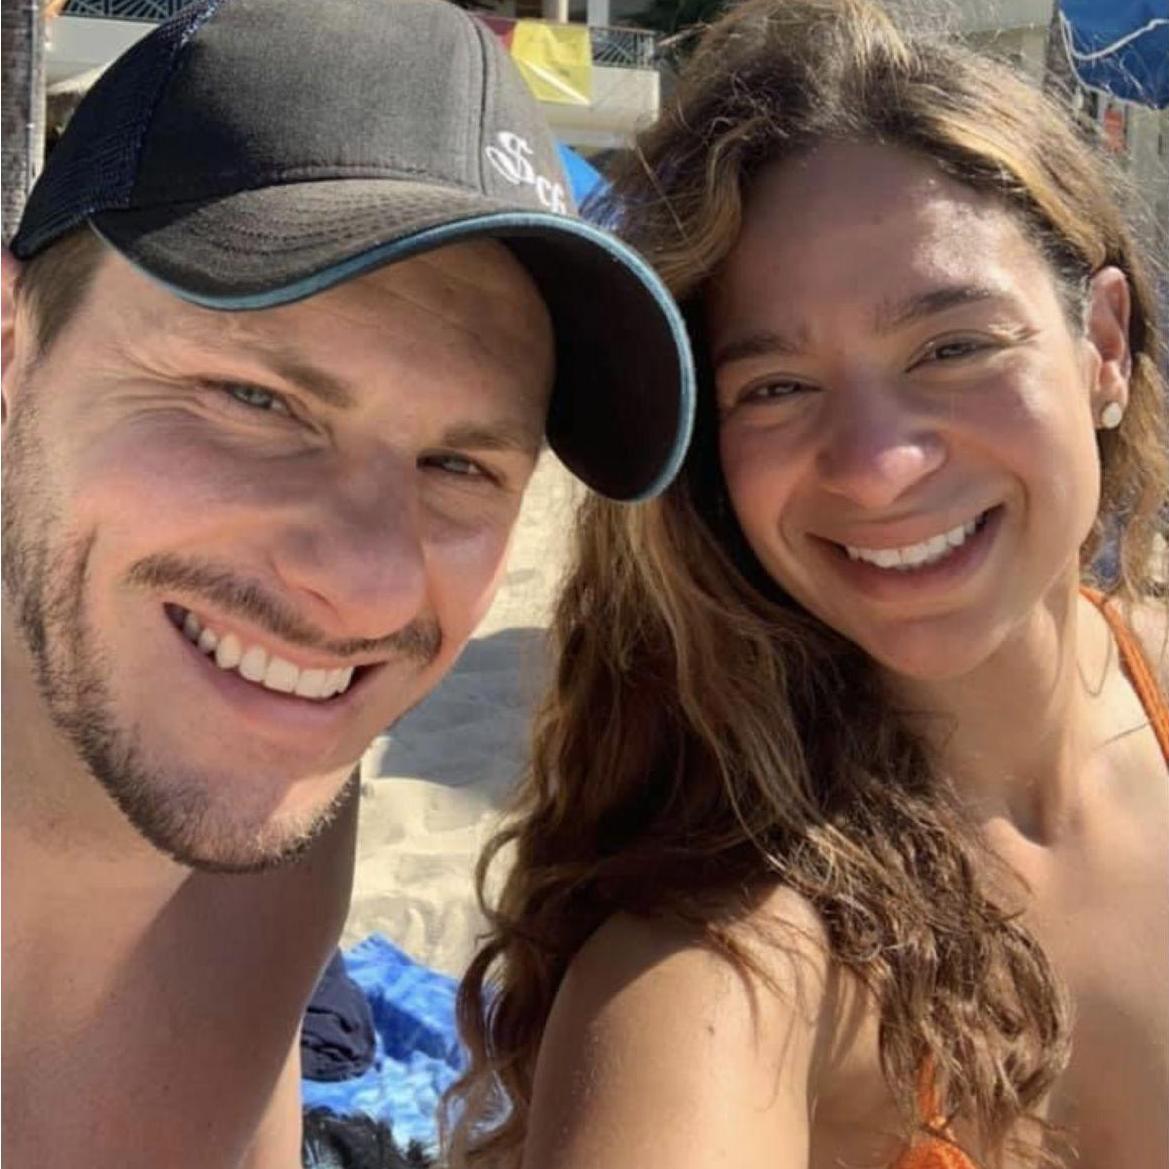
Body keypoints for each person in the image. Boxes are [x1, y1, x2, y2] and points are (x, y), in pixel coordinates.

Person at [446, 1, 1169, 1166]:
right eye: (775, 386)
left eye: (951, 346)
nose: (877, 465)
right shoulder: (724, 965)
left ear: (1102, 347)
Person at [0, 0, 694, 1164]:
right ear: (12, 348)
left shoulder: (277, 761)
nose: (363, 589)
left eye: (459, 464)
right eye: (256, 399)